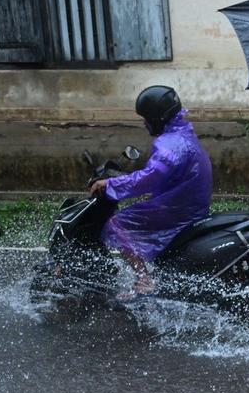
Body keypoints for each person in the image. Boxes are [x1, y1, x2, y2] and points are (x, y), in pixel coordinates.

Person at [89, 86, 213, 298]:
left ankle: (144, 280)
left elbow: (150, 177)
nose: (144, 123)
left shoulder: (169, 145)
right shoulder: (183, 134)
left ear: (157, 118)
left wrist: (110, 184)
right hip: (189, 205)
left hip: (178, 209)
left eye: (146, 118)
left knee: (116, 225)